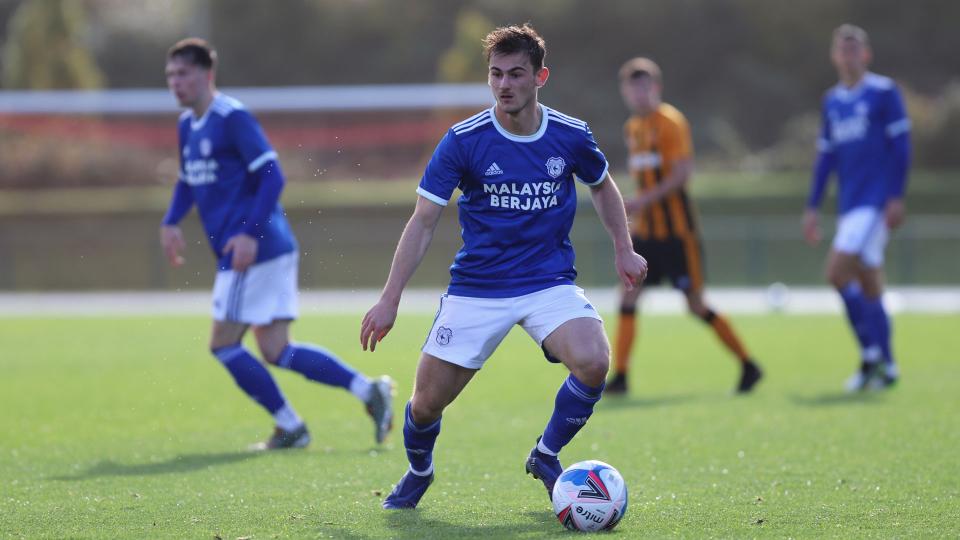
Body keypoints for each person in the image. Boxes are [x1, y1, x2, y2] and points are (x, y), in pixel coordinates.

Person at [360, 24, 647, 509]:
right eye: (496, 74)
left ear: (541, 77)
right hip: (477, 288)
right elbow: (424, 221)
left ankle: (545, 453)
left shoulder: (571, 135)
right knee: (426, 404)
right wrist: (390, 298)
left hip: (547, 281)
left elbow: (602, 184)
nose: (504, 84)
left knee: (595, 361)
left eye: (516, 74)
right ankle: (418, 471)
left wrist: (624, 246)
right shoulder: (463, 140)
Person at [159, 38, 394, 449]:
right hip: (263, 249)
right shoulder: (186, 126)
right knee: (276, 349)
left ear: (207, 74)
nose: (176, 82)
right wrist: (171, 220)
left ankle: (291, 426)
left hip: (253, 250)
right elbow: (187, 179)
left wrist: (249, 233)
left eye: (184, 73)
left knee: (224, 343)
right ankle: (366, 390)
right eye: (171, 75)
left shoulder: (231, 117)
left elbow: (272, 175)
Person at [606, 57, 762, 396]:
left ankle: (748, 364)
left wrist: (642, 200)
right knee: (628, 297)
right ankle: (620, 376)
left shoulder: (671, 123)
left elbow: (681, 175)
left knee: (694, 304)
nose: (638, 95)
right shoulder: (632, 128)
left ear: (656, 88)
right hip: (647, 233)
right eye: (632, 89)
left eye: (644, 87)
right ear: (624, 92)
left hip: (678, 234)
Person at [803, 24, 910, 391]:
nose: (848, 56)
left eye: (854, 50)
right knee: (869, 283)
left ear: (866, 55)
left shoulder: (884, 92)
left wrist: (895, 196)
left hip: (875, 203)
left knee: (836, 271)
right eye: (842, 50)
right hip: (850, 206)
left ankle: (870, 355)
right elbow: (826, 159)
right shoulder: (832, 101)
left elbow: (901, 147)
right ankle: (887, 364)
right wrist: (813, 206)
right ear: (835, 56)